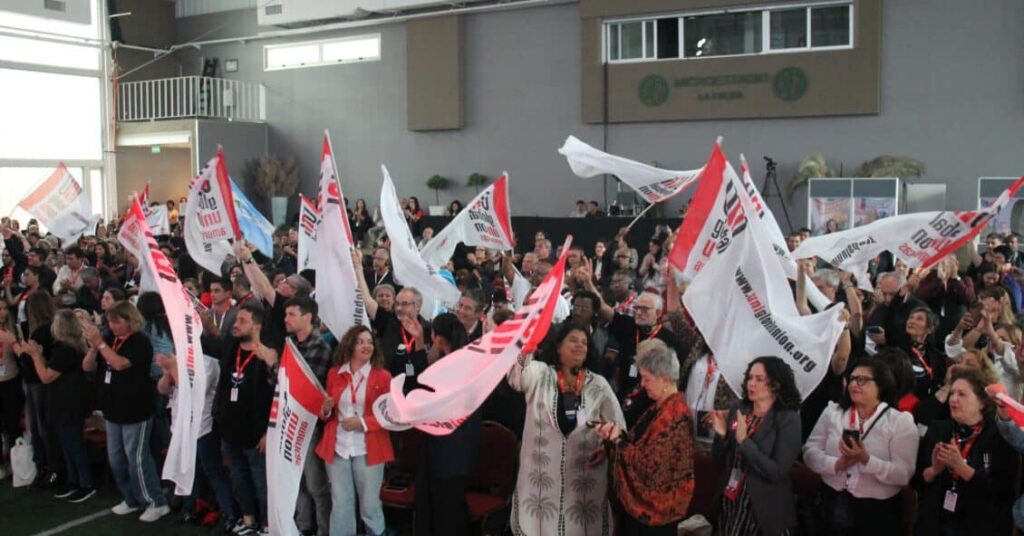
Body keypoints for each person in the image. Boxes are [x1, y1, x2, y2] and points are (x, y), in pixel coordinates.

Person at [508, 321, 624, 536]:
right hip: (540, 484)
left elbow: (618, 425)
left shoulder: (598, 384)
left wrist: (608, 442)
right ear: (558, 346)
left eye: (584, 342)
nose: (580, 345)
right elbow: (517, 378)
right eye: (573, 340)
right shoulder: (541, 374)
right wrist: (527, 348)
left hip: (584, 484)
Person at [803, 358, 919, 535]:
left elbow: (903, 474)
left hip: (876, 512)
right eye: (852, 379)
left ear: (881, 385)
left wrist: (866, 460)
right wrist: (836, 464)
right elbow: (810, 452)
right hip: (833, 500)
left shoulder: (899, 422)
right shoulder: (833, 412)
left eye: (862, 380)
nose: (854, 384)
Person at [81, 300, 170, 522]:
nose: (111, 325)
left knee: (137, 459)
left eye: (116, 321)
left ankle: (155, 501)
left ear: (130, 321)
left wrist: (100, 344)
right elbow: (87, 366)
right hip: (113, 409)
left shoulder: (140, 342)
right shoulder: (109, 339)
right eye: (110, 321)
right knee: (116, 459)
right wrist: (94, 347)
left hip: (136, 409)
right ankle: (131, 498)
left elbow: (120, 364)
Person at [594, 339, 694, 535]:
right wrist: (611, 443)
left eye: (647, 379)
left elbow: (651, 467)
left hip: (656, 515)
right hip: (643, 512)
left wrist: (617, 441)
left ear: (664, 379)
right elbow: (636, 442)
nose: (642, 384)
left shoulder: (674, 415)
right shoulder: (660, 407)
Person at [912, 368, 1016, 535]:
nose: (953, 399)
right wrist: (932, 471)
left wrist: (963, 469)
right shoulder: (939, 429)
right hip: (935, 522)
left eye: (962, 394)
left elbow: (1004, 494)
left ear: (982, 402)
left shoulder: (998, 436)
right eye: (952, 393)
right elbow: (915, 480)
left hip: (978, 525)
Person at [708, 357, 801, 535]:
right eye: (750, 378)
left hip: (763, 508)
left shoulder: (788, 419)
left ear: (776, 384)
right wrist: (721, 436)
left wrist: (744, 442)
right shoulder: (740, 408)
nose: (751, 383)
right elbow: (719, 458)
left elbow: (776, 471)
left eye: (759, 379)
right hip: (731, 500)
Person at [315, 325, 393, 536]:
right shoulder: (334, 373)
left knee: (369, 506)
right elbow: (328, 414)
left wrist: (363, 423)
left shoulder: (383, 377)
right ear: (350, 345)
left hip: (368, 448)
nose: (366, 346)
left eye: (369, 342)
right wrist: (325, 409)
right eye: (361, 342)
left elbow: (390, 415)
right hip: (338, 447)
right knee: (340, 505)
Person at [208, 301, 277, 535]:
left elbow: (278, 395)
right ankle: (249, 520)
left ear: (256, 326)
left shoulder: (268, 354)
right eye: (236, 320)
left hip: (256, 433)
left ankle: (268, 525)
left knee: (261, 482)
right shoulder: (231, 347)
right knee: (238, 478)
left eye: (242, 321)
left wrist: (270, 430)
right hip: (230, 429)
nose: (235, 325)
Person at [414, 313, 480, 536]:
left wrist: (419, 350)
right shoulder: (471, 363)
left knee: (443, 515)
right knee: (451, 511)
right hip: (461, 451)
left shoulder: (445, 368)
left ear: (438, 338)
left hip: (443, 450)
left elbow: (418, 391)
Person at [20, 310, 94, 502]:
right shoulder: (66, 348)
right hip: (65, 402)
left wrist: (35, 356)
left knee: (73, 445)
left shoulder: (66, 350)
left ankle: (85, 483)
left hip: (67, 404)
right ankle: (74, 481)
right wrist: (40, 356)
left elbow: (45, 377)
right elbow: (52, 370)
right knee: (67, 444)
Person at [0, 303, 23, 479]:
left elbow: (22, 356)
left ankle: (17, 462)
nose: (3, 312)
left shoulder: (13, 330)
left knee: (12, 424)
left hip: (11, 382)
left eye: (4, 308)